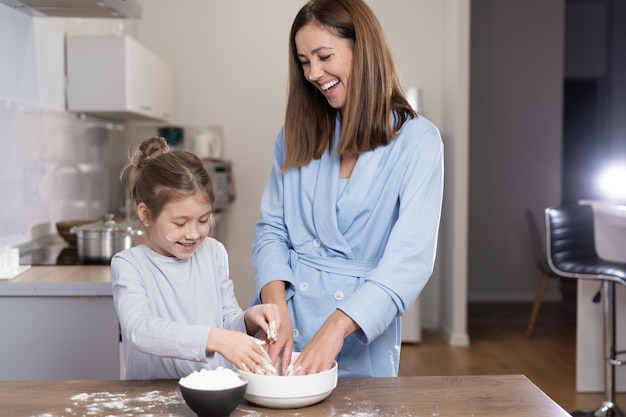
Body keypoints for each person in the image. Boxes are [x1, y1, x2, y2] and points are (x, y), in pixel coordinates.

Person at [251, 0, 444, 378]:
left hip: (359, 332)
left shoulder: (418, 141)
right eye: (305, 62)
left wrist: (337, 328)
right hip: (283, 327)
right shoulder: (294, 135)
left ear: (363, 50)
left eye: (324, 56)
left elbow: (410, 259)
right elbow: (271, 230)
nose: (313, 73)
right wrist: (277, 312)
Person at [112, 136, 280, 380]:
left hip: (211, 394)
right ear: (146, 214)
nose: (193, 233)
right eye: (180, 223)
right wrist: (213, 338)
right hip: (154, 398)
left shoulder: (213, 252)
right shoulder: (129, 265)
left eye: (203, 220)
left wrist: (248, 320)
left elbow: (226, 319)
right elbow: (139, 330)